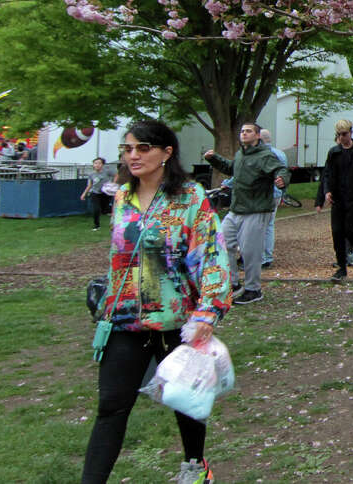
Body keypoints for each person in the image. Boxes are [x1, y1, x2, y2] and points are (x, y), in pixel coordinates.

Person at [81, 119, 231, 484]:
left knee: (186, 403)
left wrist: (208, 310)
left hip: (178, 323)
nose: (133, 155)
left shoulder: (190, 197)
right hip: (125, 321)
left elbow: (211, 256)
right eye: (128, 148)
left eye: (143, 148)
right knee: (111, 407)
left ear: (166, 153)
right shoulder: (121, 195)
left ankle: (195, 468)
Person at [204, 122, 289, 304]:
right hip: (236, 210)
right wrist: (214, 159)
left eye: (248, 131)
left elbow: (280, 170)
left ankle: (253, 289)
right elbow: (231, 168)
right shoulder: (241, 154)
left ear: (257, 135)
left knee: (250, 253)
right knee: (222, 244)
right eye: (242, 131)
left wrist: (282, 180)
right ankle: (233, 283)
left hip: (256, 210)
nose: (244, 134)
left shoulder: (265, 155)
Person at [316, 119, 353, 283]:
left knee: (349, 230)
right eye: (339, 135)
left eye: (344, 134)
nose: (341, 137)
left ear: (351, 133)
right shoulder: (334, 152)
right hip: (338, 198)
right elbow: (326, 173)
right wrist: (326, 192)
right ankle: (342, 267)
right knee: (337, 232)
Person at [259, 129, 287, 269]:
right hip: (277, 194)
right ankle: (267, 256)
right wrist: (283, 194)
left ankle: (262, 257)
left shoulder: (262, 155)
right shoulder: (281, 154)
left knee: (260, 226)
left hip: (265, 194)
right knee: (269, 225)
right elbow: (284, 175)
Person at [81, 157, 116, 231]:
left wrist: (113, 183)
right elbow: (90, 185)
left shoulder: (107, 172)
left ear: (102, 165)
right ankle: (96, 225)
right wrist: (84, 194)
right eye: (95, 163)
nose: (97, 165)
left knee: (104, 210)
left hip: (106, 193)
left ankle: (114, 220)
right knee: (96, 209)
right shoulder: (91, 174)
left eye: (99, 163)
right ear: (93, 165)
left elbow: (117, 175)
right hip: (95, 193)